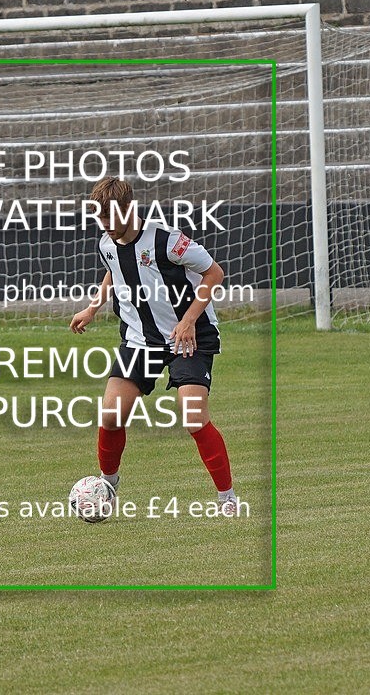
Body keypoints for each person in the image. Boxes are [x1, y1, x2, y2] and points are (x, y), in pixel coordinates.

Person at [70, 177, 239, 515]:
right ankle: (107, 487)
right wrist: (93, 307)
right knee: (111, 414)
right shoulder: (107, 242)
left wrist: (189, 319)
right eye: (101, 219)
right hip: (140, 339)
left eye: (111, 218)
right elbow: (113, 270)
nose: (106, 226)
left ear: (130, 209)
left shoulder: (167, 240)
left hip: (188, 336)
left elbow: (214, 274)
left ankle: (228, 498)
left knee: (193, 416)